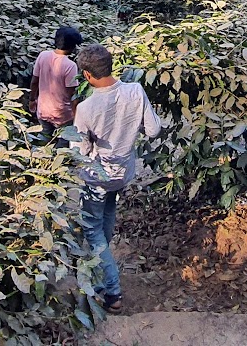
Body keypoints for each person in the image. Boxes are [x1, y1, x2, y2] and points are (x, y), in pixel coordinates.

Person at [72, 43, 163, 313]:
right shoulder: (135, 91)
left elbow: (81, 151)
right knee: (106, 218)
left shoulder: (86, 108)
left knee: (92, 230)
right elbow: (154, 130)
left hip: (97, 177)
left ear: (87, 75)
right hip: (123, 174)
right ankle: (103, 266)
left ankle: (112, 292)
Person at [31, 26, 82, 135]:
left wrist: (32, 100)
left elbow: (34, 81)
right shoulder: (70, 65)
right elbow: (72, 95)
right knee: (63, 145)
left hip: (43, 110)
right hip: (63, 115)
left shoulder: (43, 56)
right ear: (72, 46)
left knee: (44, 138)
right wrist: (77, 116)